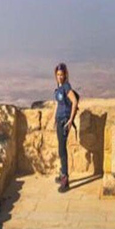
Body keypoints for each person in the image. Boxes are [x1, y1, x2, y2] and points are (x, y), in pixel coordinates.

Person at [53, 62, 78, 193]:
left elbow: (74, 101)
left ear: (65, 74)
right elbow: (58, 104)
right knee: (60, 148)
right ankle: (62, 172)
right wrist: (53, 119)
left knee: (62, 150)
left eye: (62, 74)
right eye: (58, 74)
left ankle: (65, 179)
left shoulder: (67, 87)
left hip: (64, 121)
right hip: (59, 119)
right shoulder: (59, 87)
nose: (60, 77)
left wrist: (70, 120)